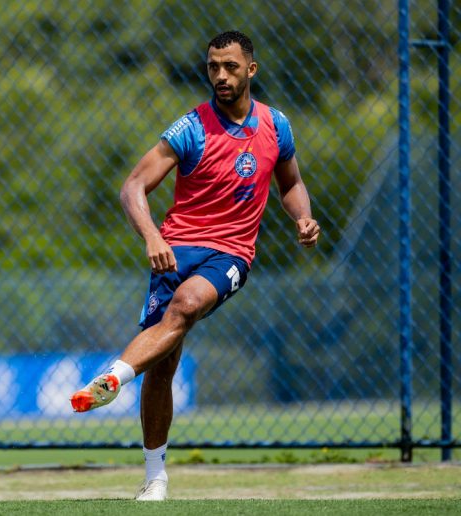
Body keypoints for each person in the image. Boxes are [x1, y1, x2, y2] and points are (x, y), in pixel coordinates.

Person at [69, 30, 320, 501]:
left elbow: (291, 182)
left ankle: (112, 379)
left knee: (186, 305)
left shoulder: (276, 125)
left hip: (230, 254)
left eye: (229, 66)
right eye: (212, 67)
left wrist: (303, 217)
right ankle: (155, 478)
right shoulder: (190, 128)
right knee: (163, 367)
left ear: (251, 69)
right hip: (175, 249)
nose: (220, 76)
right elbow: (132, 187)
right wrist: (152, 236)